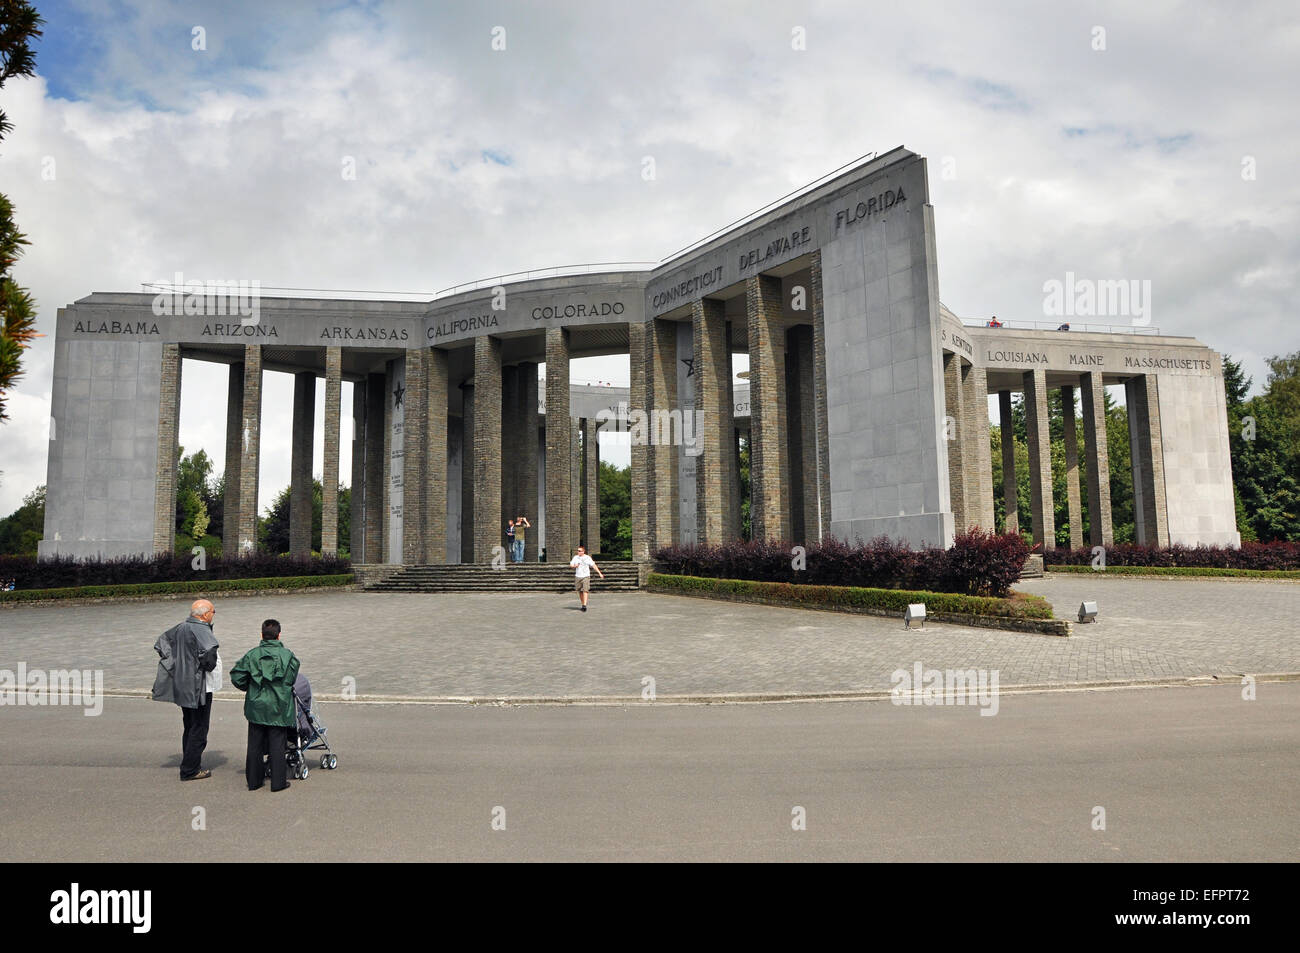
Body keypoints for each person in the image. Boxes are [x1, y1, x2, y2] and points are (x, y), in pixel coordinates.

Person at [152, 599, 220, 782]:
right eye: (213, 612)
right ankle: (190, 769)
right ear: (205, 614)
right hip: (197, 687)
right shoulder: (201, 629)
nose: (214, 615)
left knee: (189, 725)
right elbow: (209, 655)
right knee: (199, 728)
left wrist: (176, 661)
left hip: (182, 685)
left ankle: (189, 762)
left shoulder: (182, 627)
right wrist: (203, 665)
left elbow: (162, 642)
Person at [230, 619, 300, 793]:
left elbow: (237, 677)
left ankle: (254, 782)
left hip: (257, 704)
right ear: (279, 635)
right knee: (278, 743)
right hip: (279, 704)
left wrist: (251, 687)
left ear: (261, 635)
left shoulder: (252, 655)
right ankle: (278, 783)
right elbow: (291, 679)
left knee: (255, 743)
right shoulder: (288, 655)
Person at [569, 544, 604, 612]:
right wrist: (574, 566)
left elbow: (593, 565)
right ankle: (582, 604)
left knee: (585, 590)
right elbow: (571, 564)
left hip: (586, 576)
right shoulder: (575, 557)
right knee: (580, 591)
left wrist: (599, 573)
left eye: (580, 551)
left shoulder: (587, 558)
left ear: (583, 551)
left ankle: (584, 605)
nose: (578, 552)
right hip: (578, 576)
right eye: (578, 551)